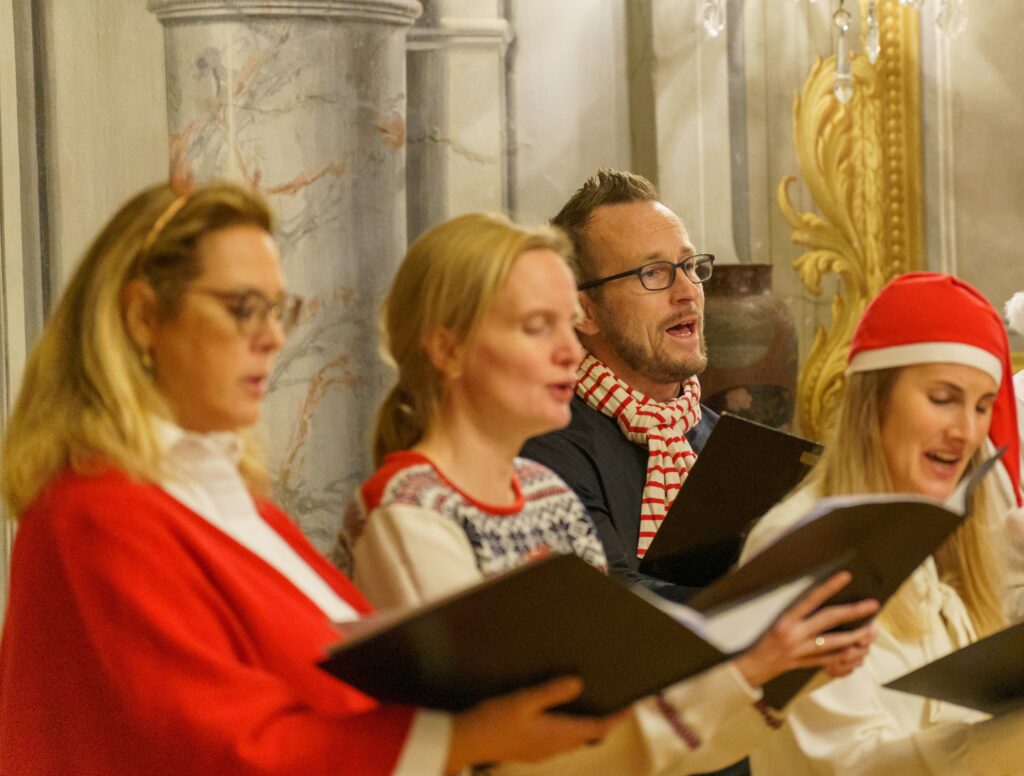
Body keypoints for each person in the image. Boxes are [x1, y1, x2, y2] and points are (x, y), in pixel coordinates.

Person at [0, 182, 630, 775]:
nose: (273, 337)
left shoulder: (235, 506)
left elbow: (335, 682)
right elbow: (215, 746)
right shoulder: (95, 509)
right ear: (142, 316)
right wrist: (465, 738)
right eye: (244, 308)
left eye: (279, 310)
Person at [335, 211, 879, 776]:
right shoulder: (410, 513)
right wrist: (743, 669)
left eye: (567, 325)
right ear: (447, 350)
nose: (569, 351)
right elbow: (507, 756)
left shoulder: (545, 493)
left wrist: (782, 670)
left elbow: (622, 717)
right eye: (536, 326)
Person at [740, 272, 1024, 775]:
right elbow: (844, 764)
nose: (967, 431)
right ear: (874, 399)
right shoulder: (801, 543)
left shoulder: (932, 538)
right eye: (943, 399)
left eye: (982, 407)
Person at [519, 169, 720, 599]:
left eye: (689, 266)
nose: (687, 291)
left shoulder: (722, 439)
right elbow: (615, 601)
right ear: (584, 312)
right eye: (653, 273)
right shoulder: (544, 447)